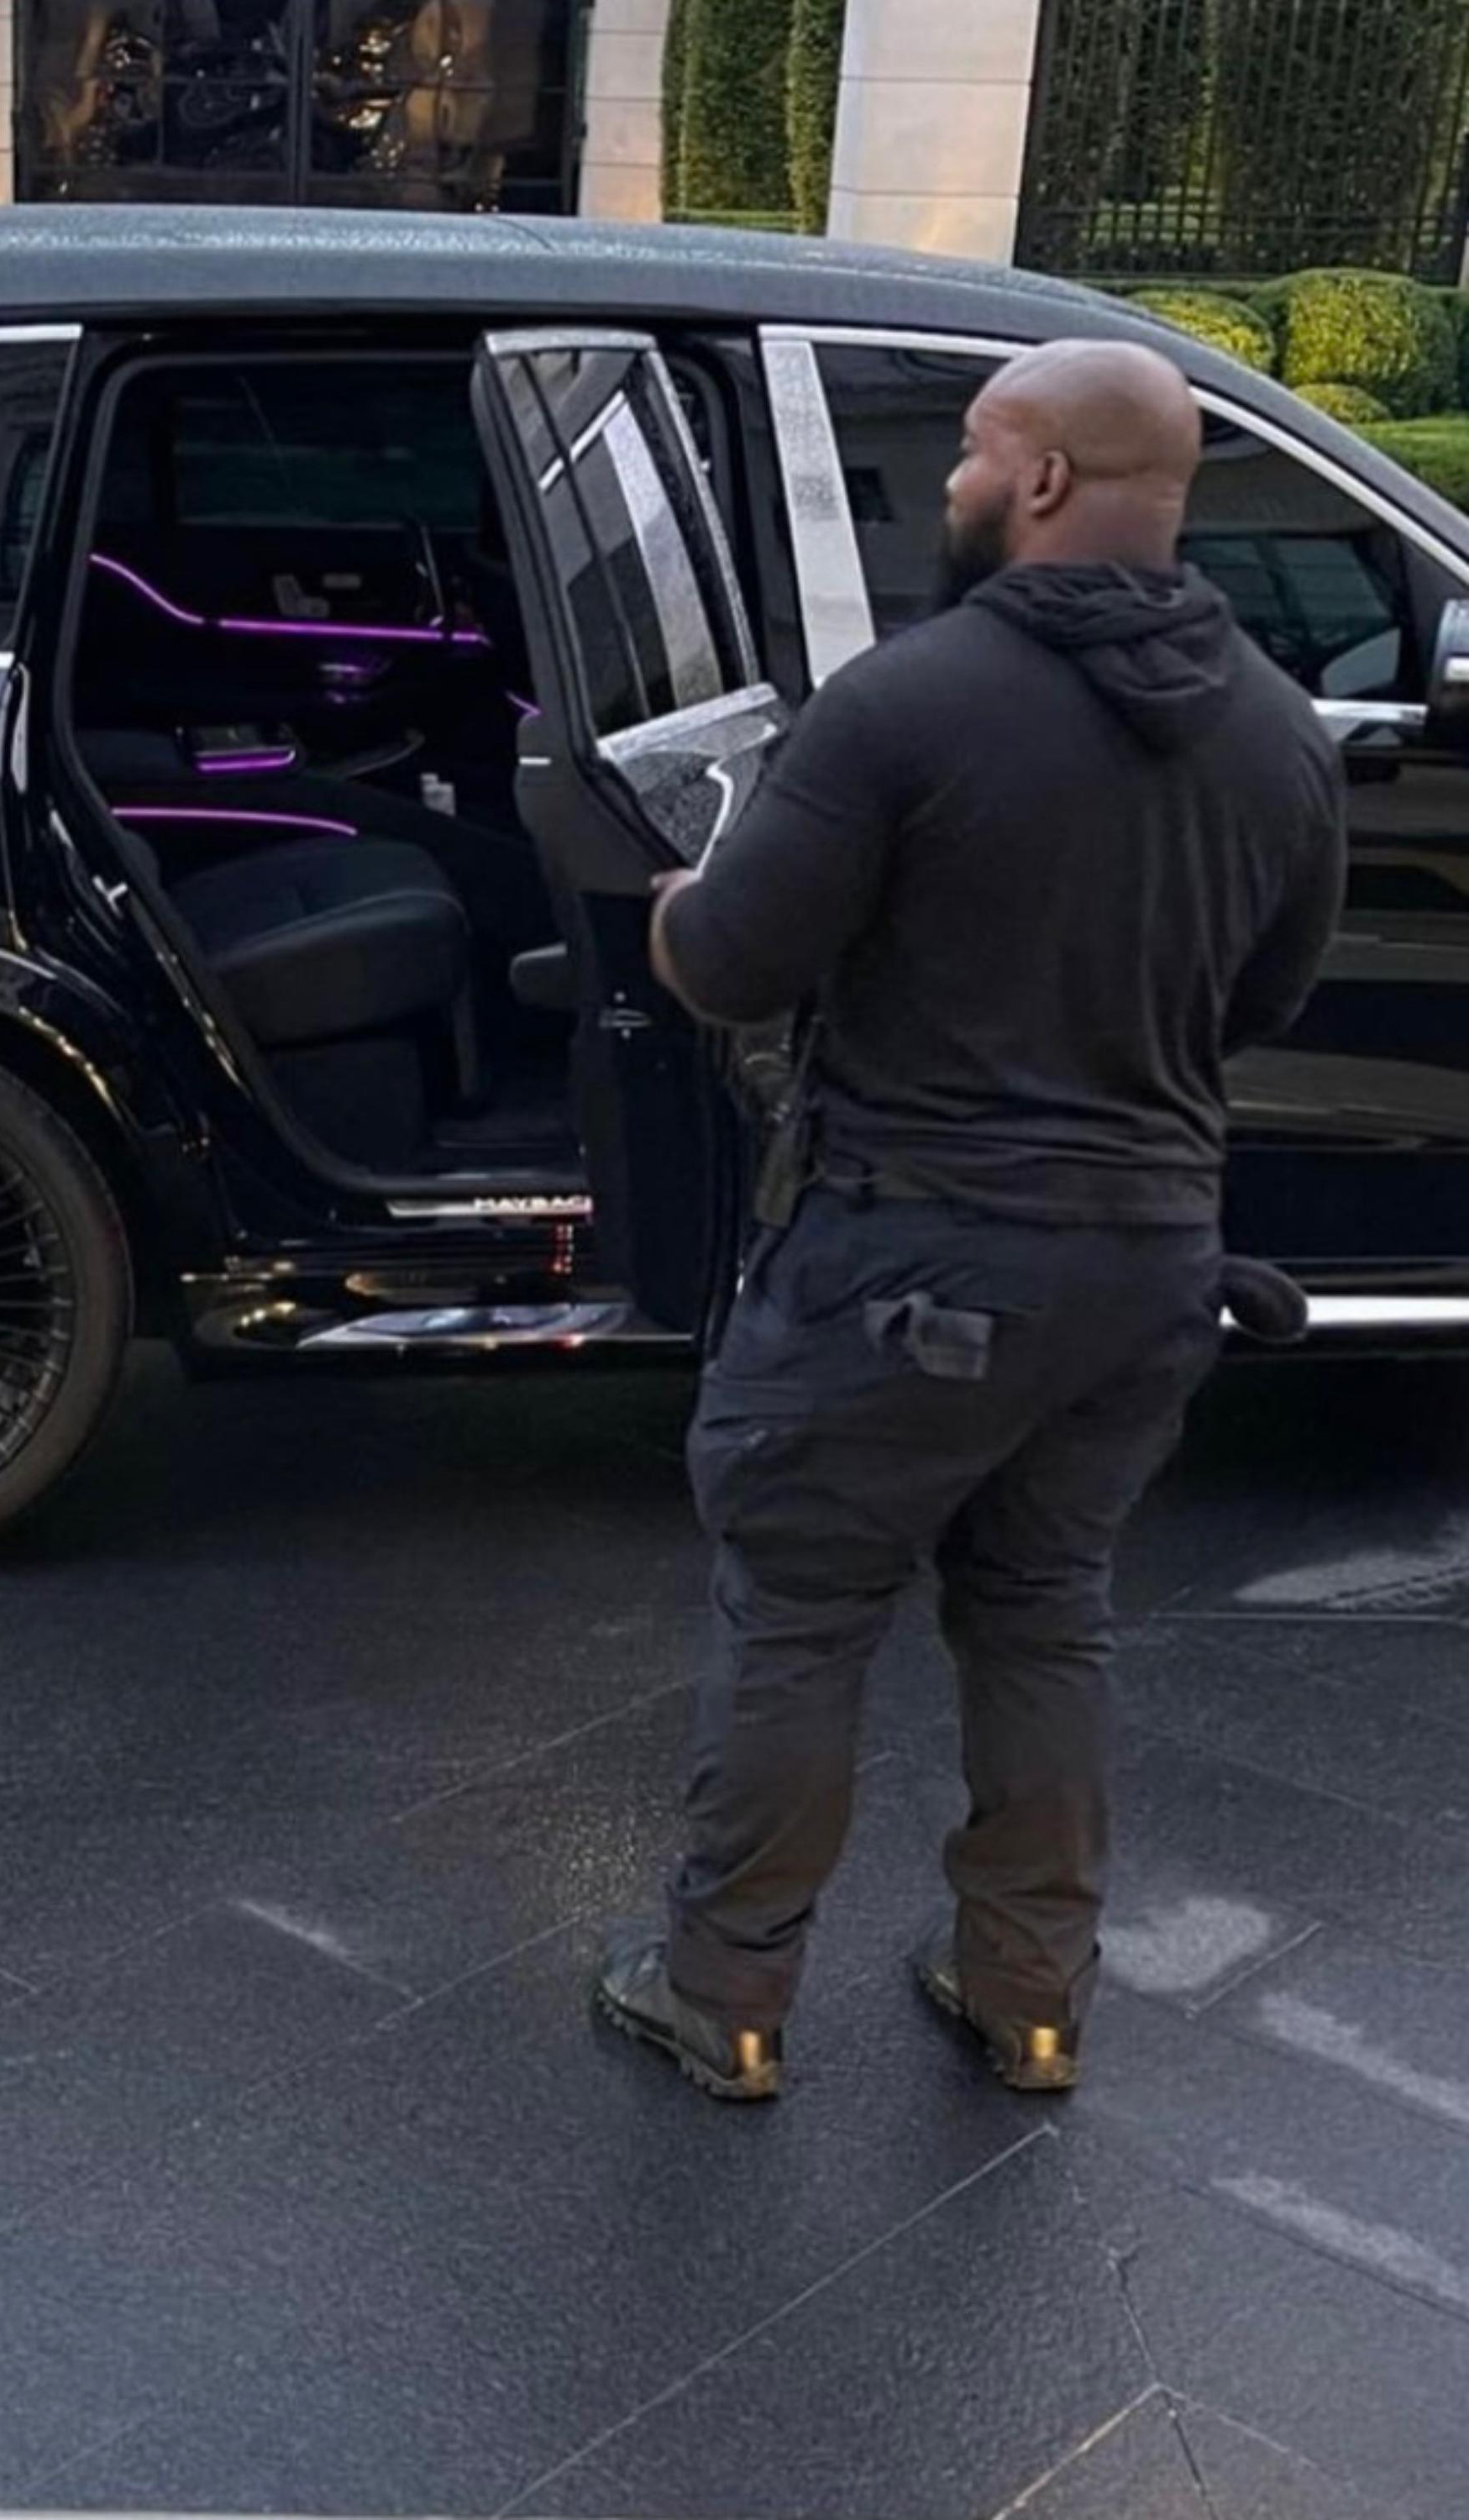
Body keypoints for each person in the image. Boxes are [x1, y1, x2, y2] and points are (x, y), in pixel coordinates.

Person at [592, 339, 1347, 2103]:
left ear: (1046, 480)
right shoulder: (1280, 732)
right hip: (1148, 1273)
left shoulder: (903, 703)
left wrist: (683, 900)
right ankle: (1030, 1995)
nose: (952, 480)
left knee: (800, 1614)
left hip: (906, 1268)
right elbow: (1265, 1002)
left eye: (972, 450)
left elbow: (735, 965)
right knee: (1045, 1614)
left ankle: (726, 1994)